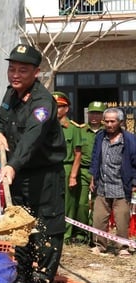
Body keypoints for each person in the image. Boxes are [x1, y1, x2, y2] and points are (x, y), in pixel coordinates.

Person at [0, 44, 66, 283]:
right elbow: (2, 120)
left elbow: (31, 138)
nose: (15, 74)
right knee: (21, 225)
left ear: (36, 72)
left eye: (22, 70)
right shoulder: (10, 94)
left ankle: (43, 280)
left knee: (46, 228)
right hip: (19, 174)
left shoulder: (43, 103)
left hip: (45, 177)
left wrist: (12, 165)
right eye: (11, 69)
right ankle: (23, 277)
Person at [89, 107, 136, 256]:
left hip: (121, 186)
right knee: (99, 218)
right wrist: (93, 178)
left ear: (120, 122)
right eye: (106, 121)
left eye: (112, 121)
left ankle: (122, 247)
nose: (109, 124)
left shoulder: (129, 139)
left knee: (122, 219)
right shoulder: (100, 137)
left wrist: (134, 182)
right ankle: (99, 245)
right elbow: (95, 158)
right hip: (102, 184)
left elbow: (135, 162)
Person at [52, 92, 83, 244]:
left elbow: (78, 154)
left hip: (66, 167)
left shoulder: (73, 128)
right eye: (54, 106)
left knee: (68, 203)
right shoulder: (47, 126)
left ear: (67, 108)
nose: (56, 109)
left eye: (60, 107)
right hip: (50, 168)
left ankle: (66, 235)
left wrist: (73, 176)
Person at [79, 101, 106, 243]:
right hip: (84, 171)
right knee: (82, 204)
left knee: (98, 205)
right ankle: (81, 234)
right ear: (87, 114)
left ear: (103, 115)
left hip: (101, 172)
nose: (94, 116)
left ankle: (94, 235)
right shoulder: (81, 130)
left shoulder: (107, 131)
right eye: (92, 113)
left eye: (98, 113)